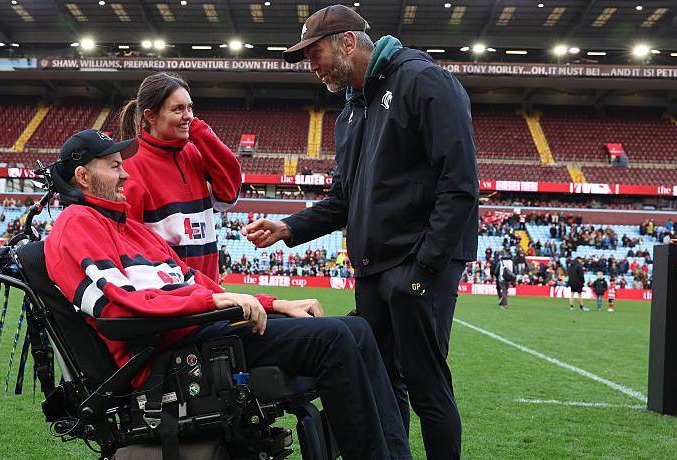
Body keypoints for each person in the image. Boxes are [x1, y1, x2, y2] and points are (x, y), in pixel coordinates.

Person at [43, 130, 411, 460]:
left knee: (358, 329)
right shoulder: (77, 223)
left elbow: (194, 282)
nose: (125, 174)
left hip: (194, 330)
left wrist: (275, 303)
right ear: (83, 176)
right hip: (165, 352)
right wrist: (210, 303)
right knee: (332, 338)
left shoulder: (129, 227)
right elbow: (117, 309)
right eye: (114, 166)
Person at [241, 5, 478, 458]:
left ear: (348, 42)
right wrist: (287, 226)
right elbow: (342, 201)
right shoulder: (350, 113)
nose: (312, 67)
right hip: (373, 270)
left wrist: (425, 267)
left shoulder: (422, 80)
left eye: (315, 54)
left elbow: (460, 184)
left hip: (416, 268)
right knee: (383, 386)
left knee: (428, 387)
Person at [118, 72, 241, 283]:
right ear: (151, 116)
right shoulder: (130, 164)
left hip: (209, 291)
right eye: (178, 109)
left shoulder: (193, 152)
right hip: (172, 297)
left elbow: (228, 196)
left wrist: (202, 133)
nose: (189, 116)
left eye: (190, 107)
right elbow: (128, 246)